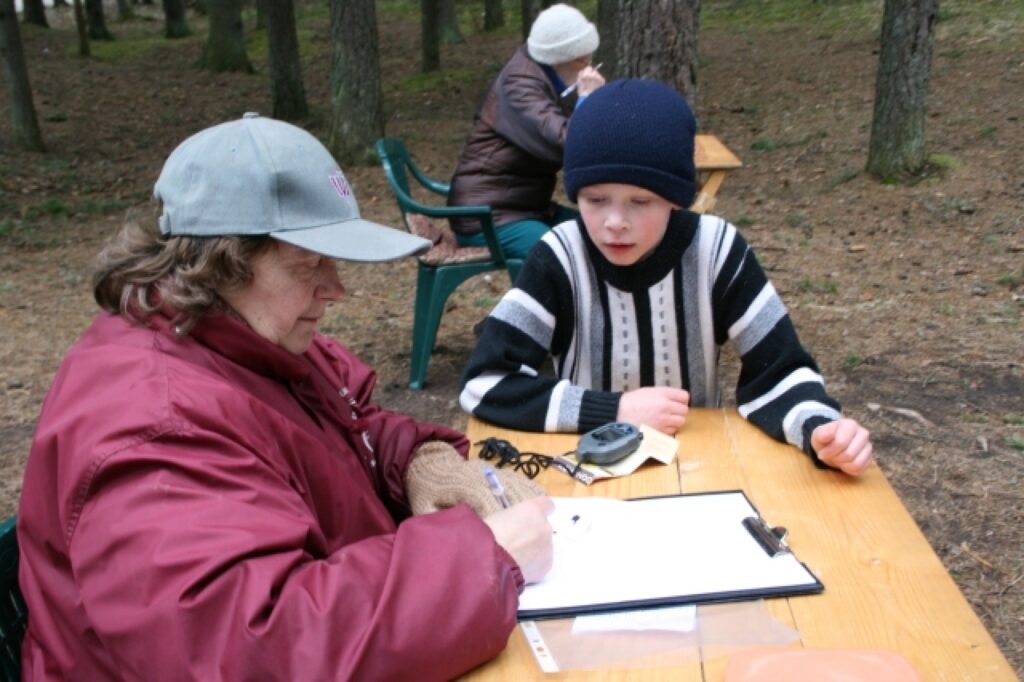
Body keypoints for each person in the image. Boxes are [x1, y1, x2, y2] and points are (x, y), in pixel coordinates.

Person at [17, 113, 553, 680]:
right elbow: (251, 648)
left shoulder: (250, 341)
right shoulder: (154, 426)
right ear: (217, 263)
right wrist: (481, 559)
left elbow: (353, 426)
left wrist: (423, 460)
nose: (336, 288)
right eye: (307, 265)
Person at [459, 80, 874, 476]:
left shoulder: (717, 250)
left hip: (697, 468)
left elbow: (780, 371)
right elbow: (485, 383)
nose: (615, 222)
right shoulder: (561, 255)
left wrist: (818, 428)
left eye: (641, 201)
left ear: (676, 199)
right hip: (587, 472)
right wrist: (613, 410)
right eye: (594, 199)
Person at [446, 3, 606, 260]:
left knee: (604, 235)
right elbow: (568, 141)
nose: (588, 65)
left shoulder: (549, 76)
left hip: (526, 207)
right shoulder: (520, 84)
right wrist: (586, 99)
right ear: (558, 57)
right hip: (488, 215)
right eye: (581, 59)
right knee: (562, 258)